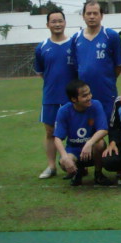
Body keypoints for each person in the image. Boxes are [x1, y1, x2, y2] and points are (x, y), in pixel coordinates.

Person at [34, 10, 76, 179]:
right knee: (50, 132)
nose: (57, 24)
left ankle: (77, 164)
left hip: (72, 96)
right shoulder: (42, 47)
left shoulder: (74, 44)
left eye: (60, 21)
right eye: (53, 21)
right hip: (51, 96)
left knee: (75, 131)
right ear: (47, 25)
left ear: (65, 23)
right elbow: (41, 72)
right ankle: (51, 166)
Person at [53, 80, 113, 186]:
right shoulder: (64, 111)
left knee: (100, 144)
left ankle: (98, 174)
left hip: (92, 150)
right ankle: (78, 172)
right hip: (74, 150)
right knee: (63, 162)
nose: (89, 97)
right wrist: (65, 156)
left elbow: (103, 129)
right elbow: (57, 137)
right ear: (74, 99)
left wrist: (89, 143)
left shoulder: (96, 105)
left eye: (89, 93)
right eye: (85, 96)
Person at [71, 0, 121, 118]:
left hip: (106, 91)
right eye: (88, 13)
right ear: (83, 16)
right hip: (83, 93)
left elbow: (119, 65)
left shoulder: (111, 36)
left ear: (101, 16)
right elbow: (76, 66)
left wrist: (107, 79)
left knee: (108, 123)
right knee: (86, 125)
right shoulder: (76, 38)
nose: (92, 16)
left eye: (95, 13)